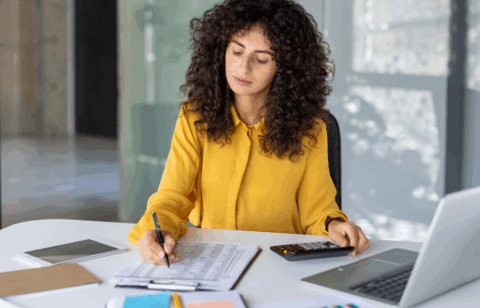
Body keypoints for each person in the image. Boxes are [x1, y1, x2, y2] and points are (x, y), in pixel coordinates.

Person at [128, 0, 371, 265]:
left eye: (262, 59)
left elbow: (318, 210)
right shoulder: (194, 116)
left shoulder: (310, 128)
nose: (243, 68)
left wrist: (334, 225)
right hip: (211, 256)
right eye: (237, 52)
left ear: (286, 69)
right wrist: (159, 230)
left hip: (280, 260)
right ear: (221, 50)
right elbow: (172, 197)